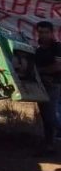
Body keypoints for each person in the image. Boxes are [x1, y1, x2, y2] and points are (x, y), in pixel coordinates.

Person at [35, 20, 61, 154]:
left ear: (52, 33)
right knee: (46, 118)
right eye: (40, 32)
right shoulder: (38, 50)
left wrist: (39, 71)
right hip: (42, 87)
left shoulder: (57, 47)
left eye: (46, 32)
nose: (43, 35)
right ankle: (49, 145)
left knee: (52, 118)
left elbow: (58, 66)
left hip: (54, 86)